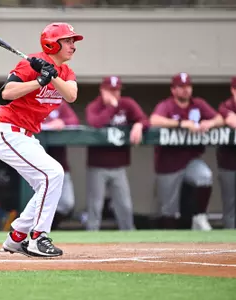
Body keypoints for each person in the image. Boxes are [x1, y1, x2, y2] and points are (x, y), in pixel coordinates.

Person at [0, 22, 83, 257]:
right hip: (7, 132)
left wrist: (51, 76)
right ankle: (38, 238)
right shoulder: (29, 63)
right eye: (68, 40)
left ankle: (17, 237)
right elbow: (4, 95)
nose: (73, 45)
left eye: (73, 41)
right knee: (54, 173)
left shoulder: (66, 72)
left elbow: (71, 95)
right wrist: (39, 80)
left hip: (27, 137)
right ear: (52, 43)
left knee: (48, 182)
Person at [149, 73, 224, 230]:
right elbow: (154, 120)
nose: (185, 90)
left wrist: (209, 123)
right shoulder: (167, 105)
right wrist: (182, 124)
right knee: (168, 210)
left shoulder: (198, 104)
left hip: (191, 158)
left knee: (204, 176)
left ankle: (199, 216)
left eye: (188, 87)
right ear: (173, 90)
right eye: (181, 87)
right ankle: (169, 240)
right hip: (168, 163)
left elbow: (220, 119)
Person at [85, 76, 148, 231]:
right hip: (97, 165)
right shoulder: (95, 106)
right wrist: (112, 107)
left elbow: (145, 119)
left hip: (119, 165)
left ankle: (129, 239)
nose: (115, 94)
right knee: (95, 206)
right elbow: (95, 123)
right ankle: (90, 240)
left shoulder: (127, 104)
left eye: (117, 90)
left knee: (125, 206)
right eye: (110, 90)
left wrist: (138, 125)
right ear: (102, 90)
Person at [41, 101, 79, 230]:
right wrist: (47, 125)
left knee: (67, 203)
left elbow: (74, 121)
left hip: (60, 164)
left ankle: (51, 227)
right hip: (37, 167)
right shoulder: (32, 100)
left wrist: (62, 123)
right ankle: (36, 230)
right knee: (40, 202)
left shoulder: (59, 103)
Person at [216, 76, 236, 229]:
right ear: (233, 90)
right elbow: (231, 121)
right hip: (229, 163)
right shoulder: (226, 106)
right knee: (230, 204)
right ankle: (230, 239)